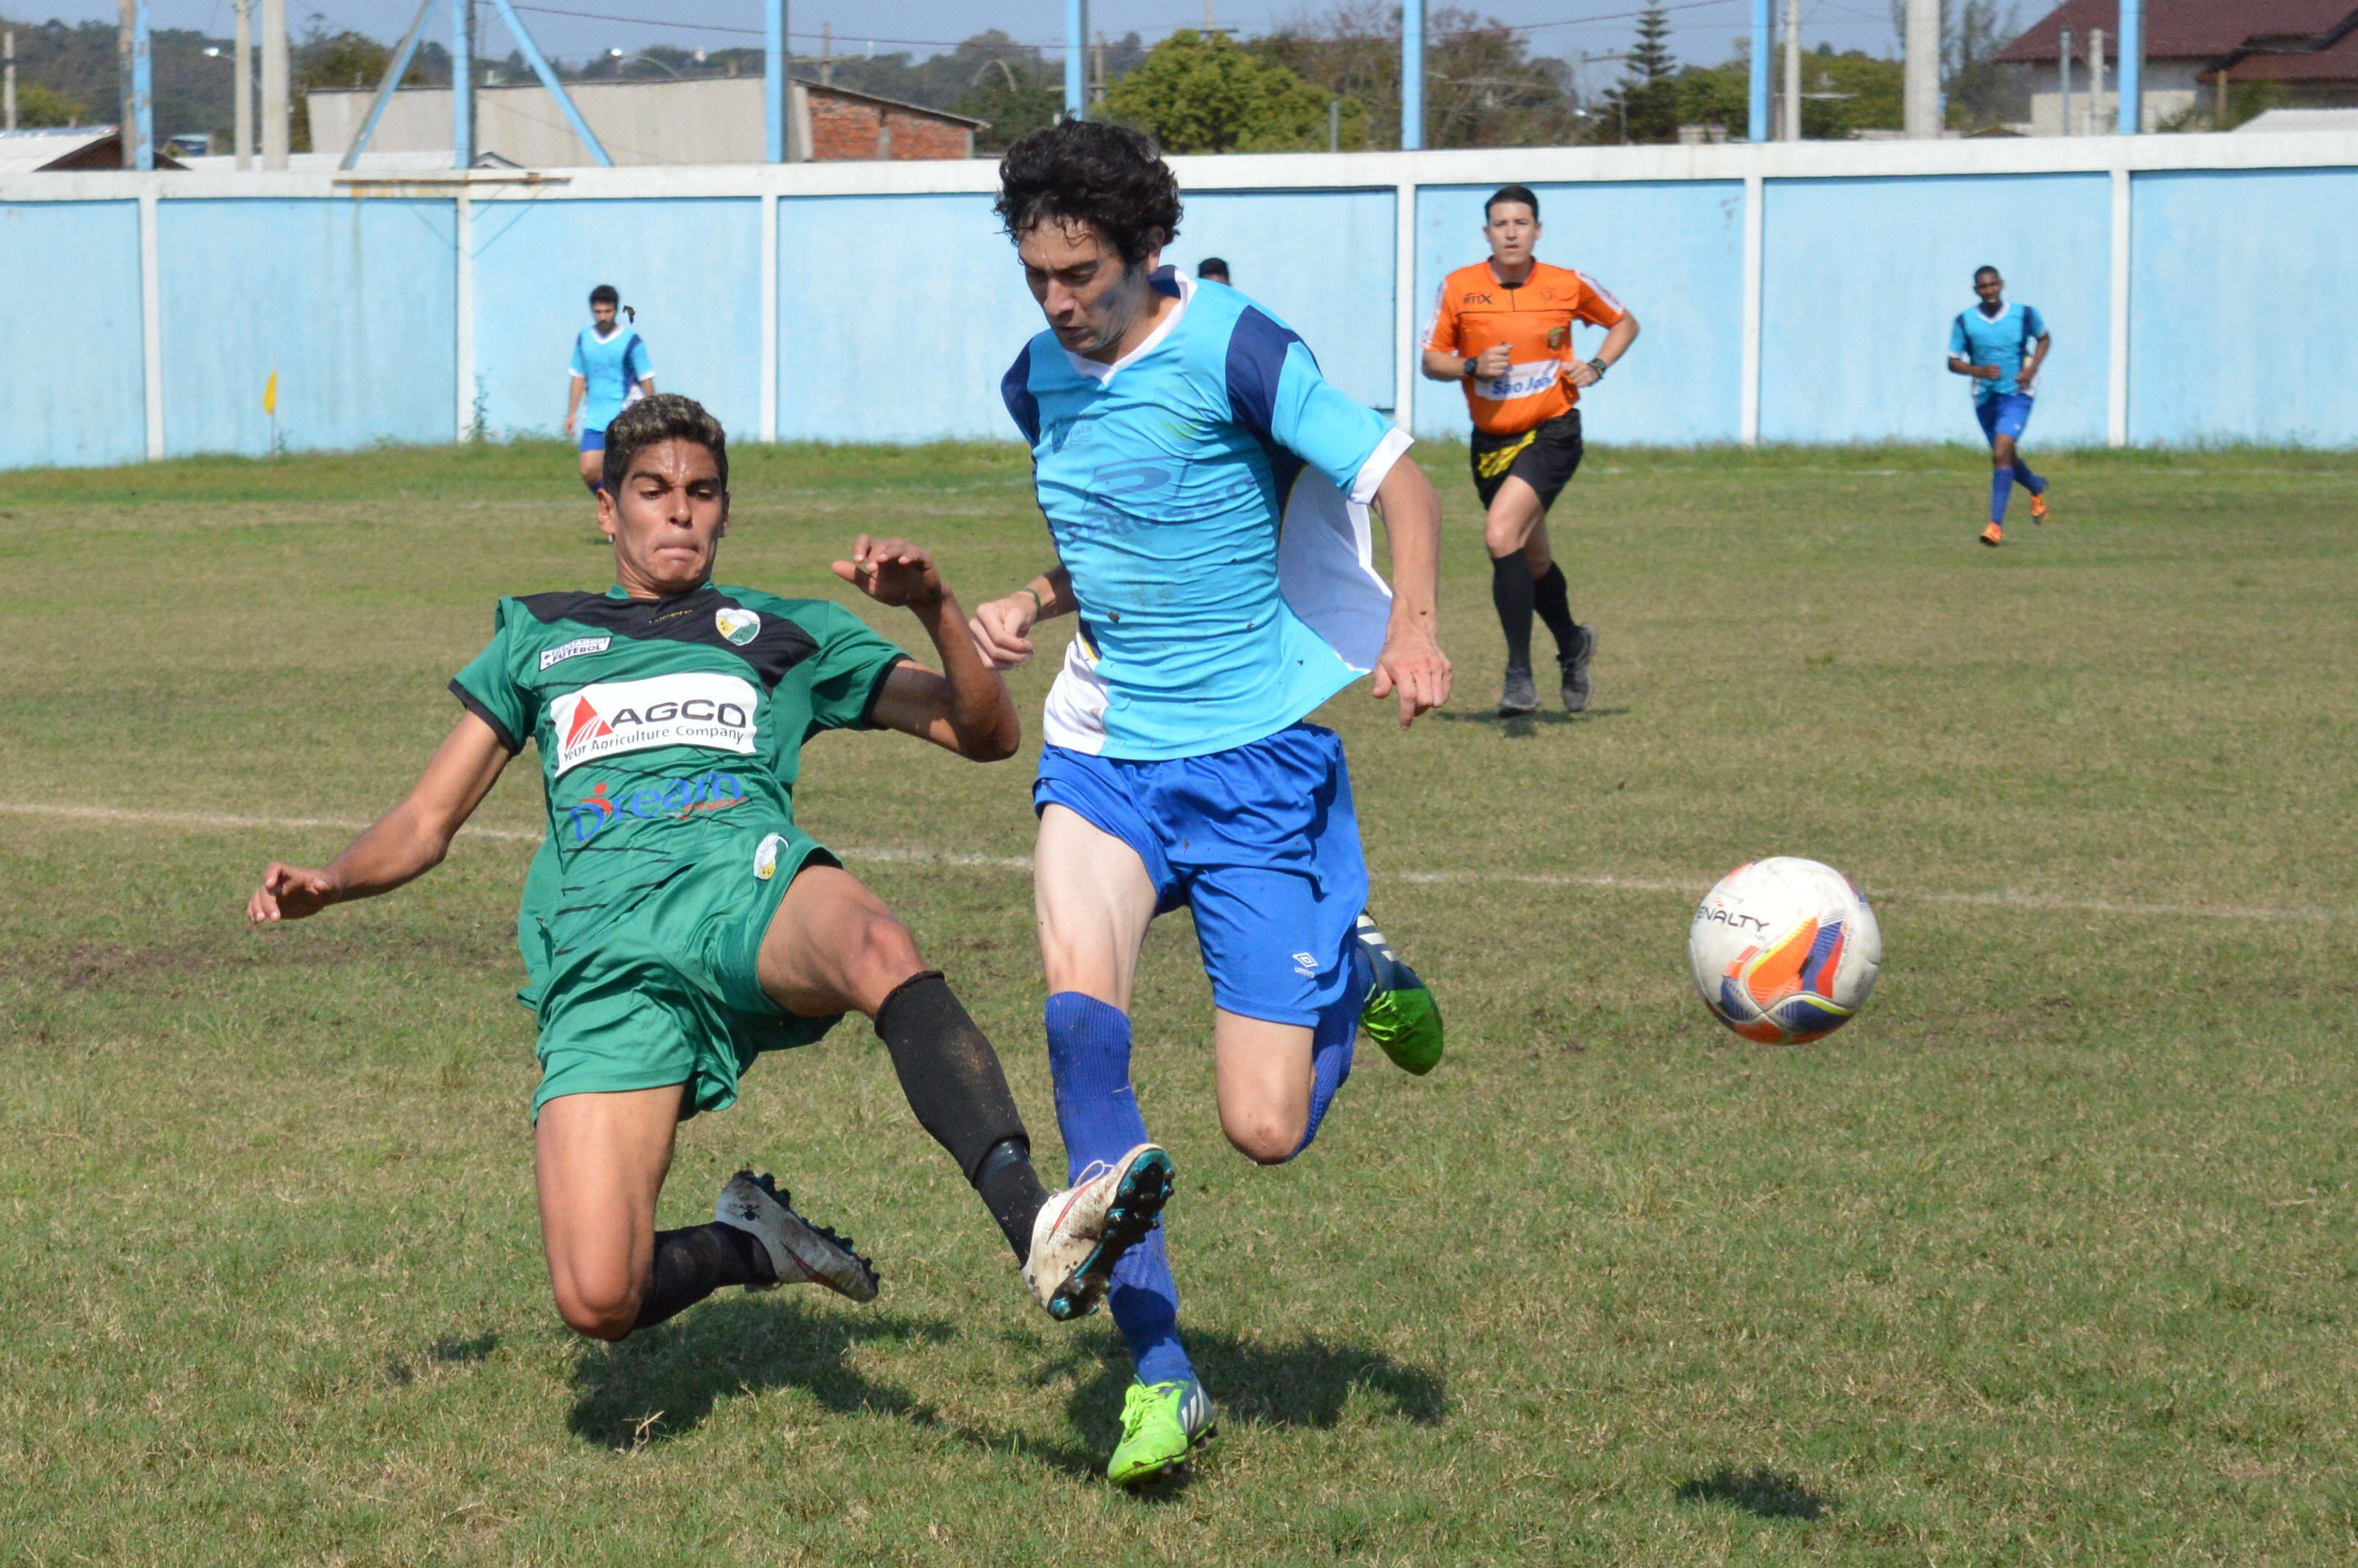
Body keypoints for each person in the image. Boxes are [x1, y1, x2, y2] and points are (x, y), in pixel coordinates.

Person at [246, 393, 1172, 1351]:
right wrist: (334, 880)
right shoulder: (540, 636)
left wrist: (935, 606)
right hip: (605, 956)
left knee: (875, 942)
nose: (679, 510)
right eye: (652, 492)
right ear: (609, 509)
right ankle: (749, 1243)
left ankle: (1040, 1223)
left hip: (744, 888)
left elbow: (984, 734)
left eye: (701, 492)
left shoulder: (782, 632)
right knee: (598, 1298)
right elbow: (425, 820)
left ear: (725, 510)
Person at [969, 120, 1453, 1485]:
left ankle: (1351, 985)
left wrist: (1412, 627)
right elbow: (1114, 529)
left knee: (1263, 1128)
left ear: (1147, 253)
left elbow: (1400, 480)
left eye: (1085, 275)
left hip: (1252, 767)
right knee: (1081, 1029)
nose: (1062, 304)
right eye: (1039, 277)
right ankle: (1164, 1376)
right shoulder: (1037, 381)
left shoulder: (1238, 346)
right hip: (1106, 753)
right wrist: (1030, 595)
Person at [1421, 185, 1640, 717]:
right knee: (1530, 556)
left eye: (1522, 222)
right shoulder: (1459, 287)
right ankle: (1572, 643)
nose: (1512, 232)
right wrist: (1471, 366)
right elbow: (1432, 360)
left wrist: (1598, 365)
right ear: (1487, 233)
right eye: (1501, 224)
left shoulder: (1567, 283)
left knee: (1500, 535)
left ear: (1538, 230)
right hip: (1491, 445)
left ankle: (1519, 677)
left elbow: (1624, 322)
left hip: (1553, 431)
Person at [1948, 266, 2051, 547]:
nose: (1990, 291)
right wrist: (1979, 370)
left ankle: (1995, 526)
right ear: (1976, 291)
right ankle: (2036, 486)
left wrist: (2031, 370)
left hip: (2018, 393)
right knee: (2006, 457)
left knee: (2001, 451)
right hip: (1986, 398)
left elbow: (2044, 339)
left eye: (1994, 285)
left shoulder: (2024, 314)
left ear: (2002, 284)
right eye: (1984, 287)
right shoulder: (1965, 321)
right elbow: (1952, 362)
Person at [564, 285, 655, 496]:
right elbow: (578, 376)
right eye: (598, 312)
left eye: (607, 311)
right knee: (588, 469)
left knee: (627, 471)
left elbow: (646, 378)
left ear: (615, 310)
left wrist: (653, 410)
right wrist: (571, 413)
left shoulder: (631, 341)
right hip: (595, 416)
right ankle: (614, 505)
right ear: (592, 311)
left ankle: (624, 511)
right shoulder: (584, 339)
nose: (603, 317)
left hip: (625, 415)